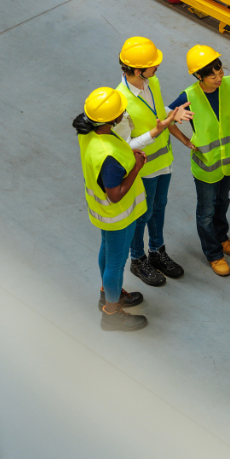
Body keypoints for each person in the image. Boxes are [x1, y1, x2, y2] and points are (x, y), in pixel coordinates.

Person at [115, 36, 193, 289]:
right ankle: (137, 259)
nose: (157, 67)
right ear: (137, 70)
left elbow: (159, 116)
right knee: (142, 215)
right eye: (152, 64)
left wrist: (174, 116)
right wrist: (155, 133)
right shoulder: (121, 102)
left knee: (160, 207)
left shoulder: (153, 82)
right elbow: (125, 145)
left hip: (164, 160)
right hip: (144, 169)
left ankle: (157, 251)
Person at [167, 45, 230, 277]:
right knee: (206, 211)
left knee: (223, 202)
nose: (218, 77)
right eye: (212, 75)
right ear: (199, 76)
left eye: (220, 71)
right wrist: (183, 139)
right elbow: (166, 117)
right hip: (206, 165)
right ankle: (214, 254)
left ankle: (222, 238)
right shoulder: (189, 96)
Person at [73, 87, 148, 332]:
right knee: (116, 264)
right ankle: (112, 314)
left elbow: (111, 158)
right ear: (113, 118)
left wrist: (128, 156)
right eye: (121, 111)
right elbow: (115, 194)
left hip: (102, 213)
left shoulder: (90, 132)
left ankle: (107, 296)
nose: (123, 114)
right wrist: (136, 166)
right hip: (118, 216)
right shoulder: (108, 156)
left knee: (106, 250)